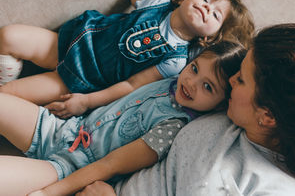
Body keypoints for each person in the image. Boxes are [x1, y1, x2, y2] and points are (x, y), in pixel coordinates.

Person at [77, 23, 295, 196]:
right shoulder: (233, 117)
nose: (231, 78)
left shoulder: (274, 189)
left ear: (268, 115)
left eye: (240, 78)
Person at [0, 0, 254, 119]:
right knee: (8, 35)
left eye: (215, 14)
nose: (206, 8)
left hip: (78, 77)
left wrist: (86, 102)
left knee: (6, 97)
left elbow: (132, 85)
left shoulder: (175, 60)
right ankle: (6, 73)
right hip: (72, 40)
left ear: (209, 36)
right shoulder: (160, 4)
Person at [0, 41, 246, 196]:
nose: (192, 83)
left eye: (208, 87)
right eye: (194, 69)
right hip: (64, 129)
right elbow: (129, 85)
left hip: (70, 169)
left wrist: (49, 192)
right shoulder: (171, 76)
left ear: (220, 105)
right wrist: (85, 101)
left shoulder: (173, 127)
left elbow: (110, 166)